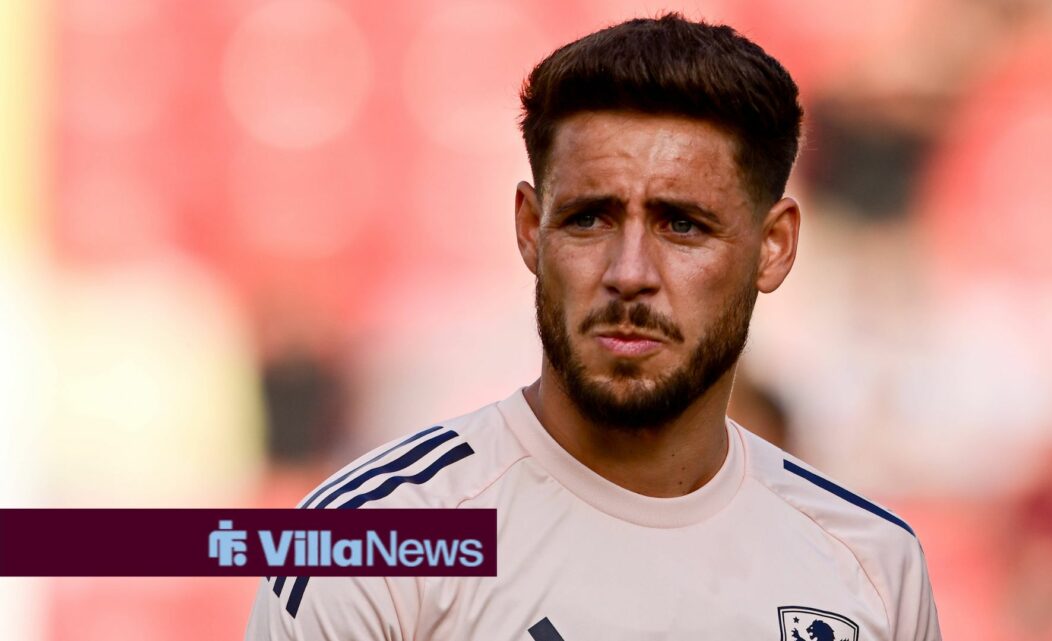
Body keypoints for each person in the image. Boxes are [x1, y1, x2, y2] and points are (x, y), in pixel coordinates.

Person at [246, 14, 941, 640]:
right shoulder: (373, 543)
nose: (629, 271)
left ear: (774, 246)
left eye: (682, 224)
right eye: (588, 218)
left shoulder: (872, 566)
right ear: (529, 229)